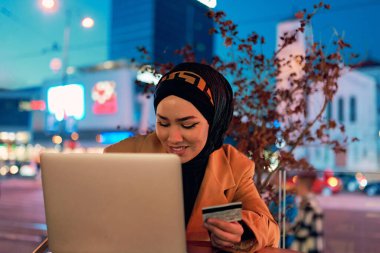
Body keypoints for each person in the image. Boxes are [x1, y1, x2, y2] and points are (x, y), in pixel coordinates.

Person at [104, 62, 279, 252]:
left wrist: (242, 229)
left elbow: (269, 229)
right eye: (163, 123)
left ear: (214, 124)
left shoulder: (234, 166)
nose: (173, 138)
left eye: (187, 125)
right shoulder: (123, 156)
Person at [288, 171, 324, 253]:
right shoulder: (307, 202)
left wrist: (287, 229)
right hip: (310, 246)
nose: (296, 187)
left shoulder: (309, 204)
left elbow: (302, 230)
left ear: (303, 186)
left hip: (308, 248)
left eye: (297, 184)